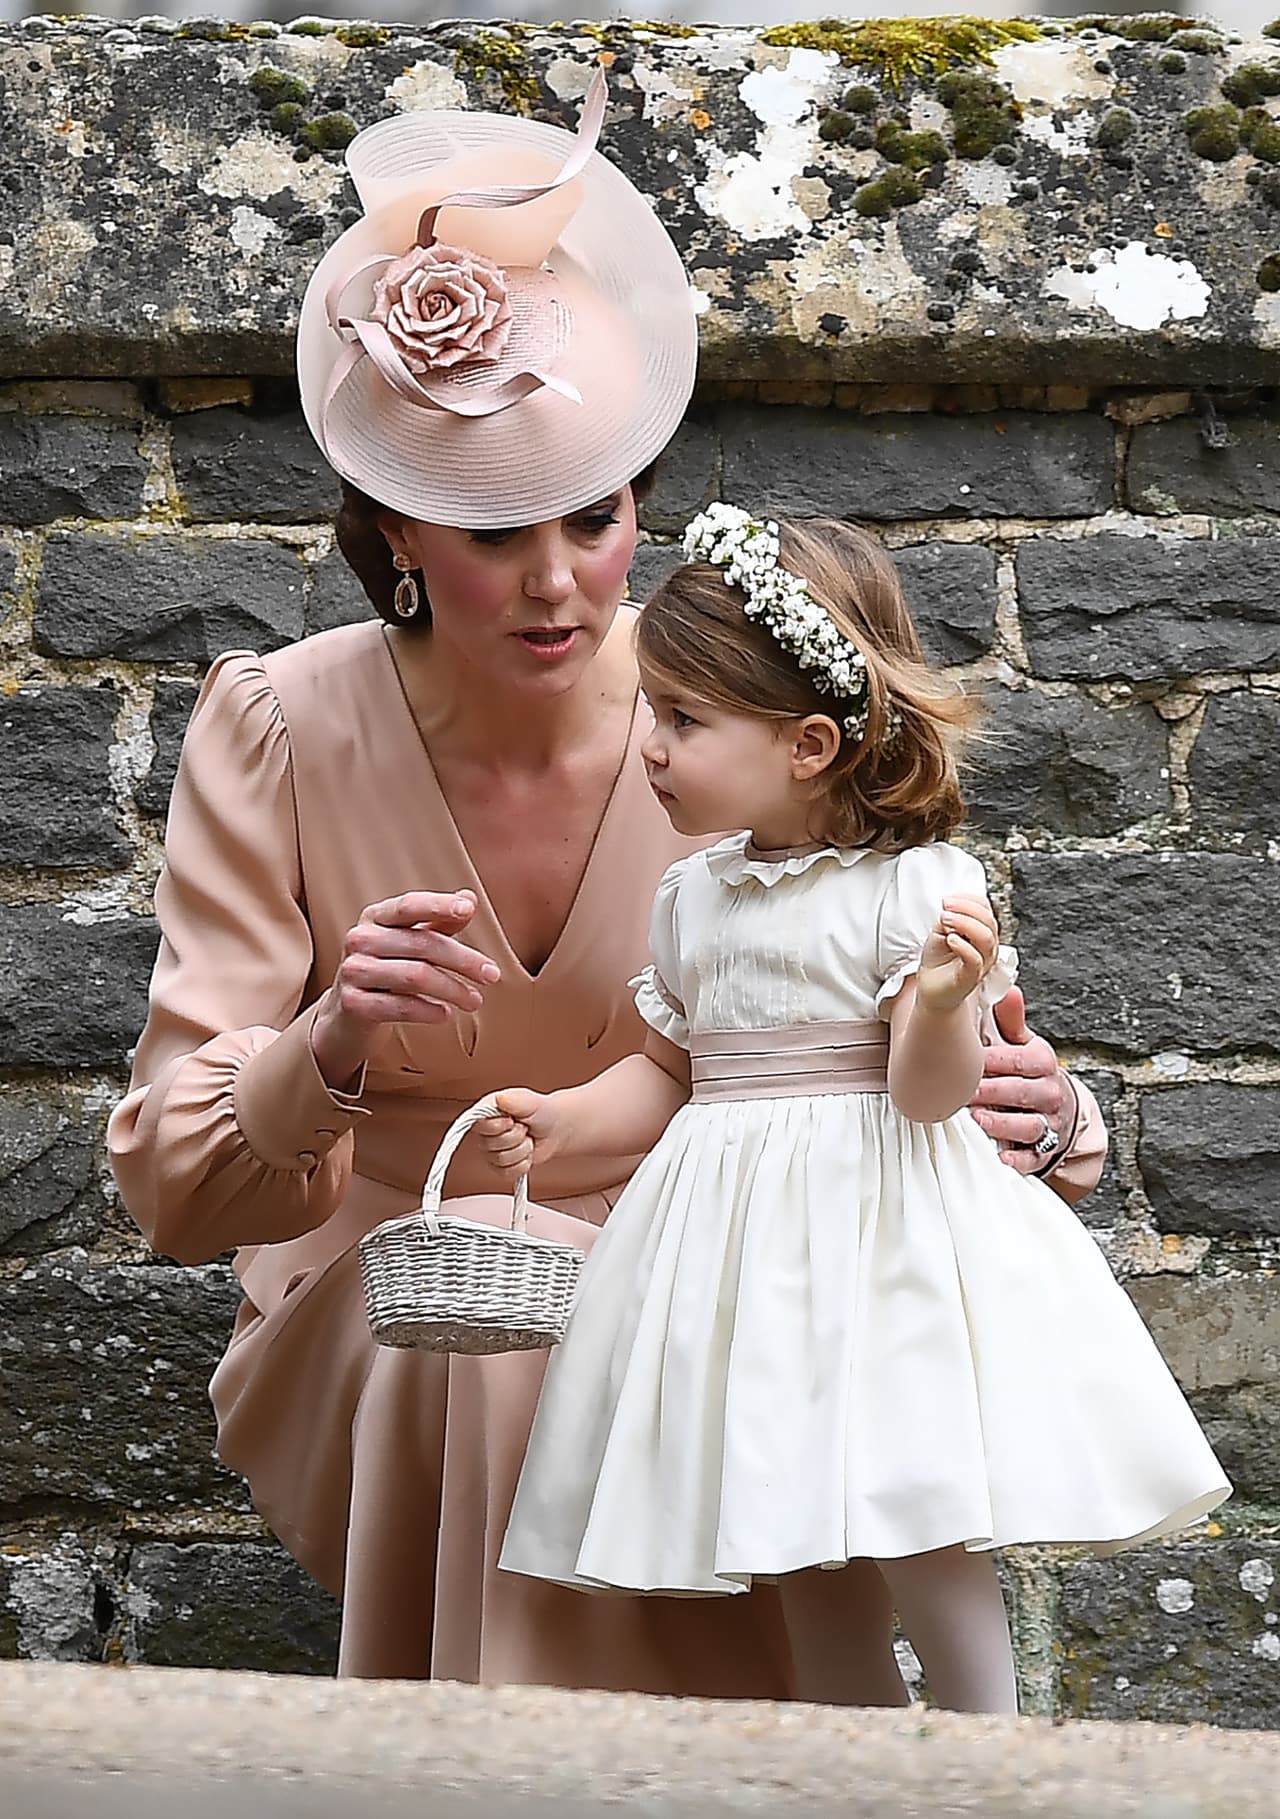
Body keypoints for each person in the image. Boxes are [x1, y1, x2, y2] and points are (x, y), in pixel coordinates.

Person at [107, 72, 1107, 1695]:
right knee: (504, 1341)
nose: (561, 580)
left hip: (732, 1266)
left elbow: (932, 1039)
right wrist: (329, 1040)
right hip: (406, 1290)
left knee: (709, 1339)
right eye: (496, 534)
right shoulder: (277, 725)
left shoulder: (743, 713)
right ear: (400, 534)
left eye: (594, 517)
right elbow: (172, 1183)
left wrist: (1040, 1110)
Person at [482, 508, 1230, 1714]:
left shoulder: (915, 890)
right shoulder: (692, 900)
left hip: (879, 1256)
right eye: (649, 712)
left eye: (682, 720)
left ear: (808, 743)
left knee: (916, 1520)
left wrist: (935, 1001)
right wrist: (562, 1124)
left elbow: (928, 1095)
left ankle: (990, 1754)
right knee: (799, 1553)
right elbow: (670, 1076)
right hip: (744, 1273)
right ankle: (850, 1765)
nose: (649, 748)